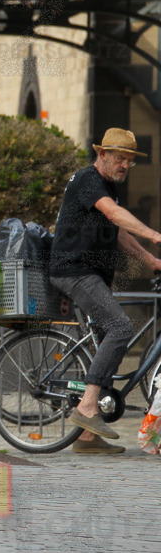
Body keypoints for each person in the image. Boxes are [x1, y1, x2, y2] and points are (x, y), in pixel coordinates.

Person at [50, 128, 161, 454]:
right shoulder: (89, 181)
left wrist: (152, 261)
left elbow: (116, 233)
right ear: (102, 155)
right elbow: (114, 215)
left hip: (91, 273)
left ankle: (87, 439)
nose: (125, 165)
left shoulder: (107, 187)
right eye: (119, 158)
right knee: (120, 327)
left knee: (106, 342)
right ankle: (86, 408)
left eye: (129, 160)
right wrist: (155, 235)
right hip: (75, 270)